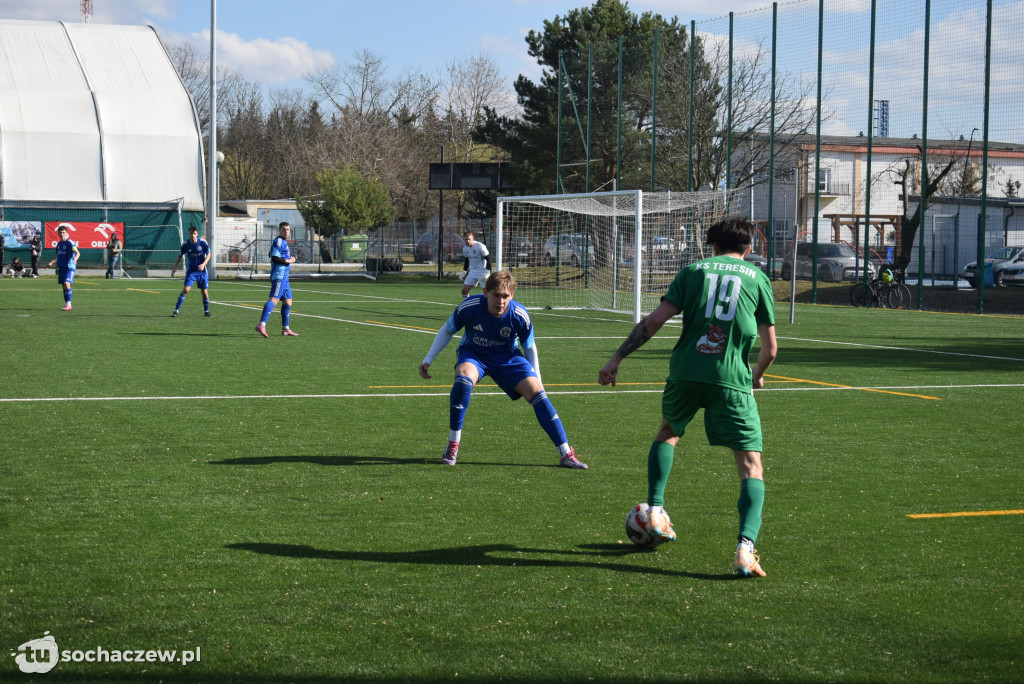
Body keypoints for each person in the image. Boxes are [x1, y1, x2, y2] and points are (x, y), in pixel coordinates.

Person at [598, 216, 777, 578]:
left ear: (712, 244)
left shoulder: (693, 271)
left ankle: (656, 509)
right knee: (750, 466)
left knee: (668, 432)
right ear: (750, 246)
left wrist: (617, 358)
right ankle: (745, 547)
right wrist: (755, 377)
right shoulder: (759, 279)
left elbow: (653, 322)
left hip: (685, 373)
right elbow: (770, 348)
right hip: (731, 381)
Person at [419, 270, 587, 469]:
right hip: (474, 354)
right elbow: (448, 329)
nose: (501, 301)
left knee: (537, 393)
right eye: (497, 296)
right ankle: (453, 444)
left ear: (512, 296)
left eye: (505, 296)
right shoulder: (470, 306)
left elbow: (529, 346)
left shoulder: (519, 314)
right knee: (463, 380)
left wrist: (537, 378)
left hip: (508, 357)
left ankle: (566, 453)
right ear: (485, 292)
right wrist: (428, 359)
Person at [255, 222, 298, 337]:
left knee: (288, 302)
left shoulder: (283, 242)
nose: (286, 231)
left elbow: (270, 253)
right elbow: (274, 258)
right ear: (279, 230)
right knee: (274, 300)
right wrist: (289, 261)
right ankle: (262, 324)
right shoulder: (279, 241)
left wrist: (287, 258)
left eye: (288, 229)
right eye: (284, 229)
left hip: (285, 277)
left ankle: (285, 329)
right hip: (279, 276)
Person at [170, 226, 212, 317]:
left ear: (197, 234)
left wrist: (203, 264)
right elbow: (179, 256)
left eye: (194, 233)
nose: (193, 235)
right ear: (188, 234)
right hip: (191, 272)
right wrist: (174, 268)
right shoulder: (185, 244)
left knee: (204, 292)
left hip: (202, 272)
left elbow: (209, 254)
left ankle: (206, 311)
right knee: (186, 290)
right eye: (191, 233)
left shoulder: (203, 243)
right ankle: (176, 311)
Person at [46, 224, 80, 311]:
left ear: (66, 233)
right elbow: (58, 256)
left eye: (63, 233)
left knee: (66, 283)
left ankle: (69, 304)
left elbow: (77, 252)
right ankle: (67, 304)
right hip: (61, 267)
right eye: (60, 233)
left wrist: (75, 258)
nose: (62, 234)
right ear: (58, 233)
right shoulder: (59, 244)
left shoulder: (70, 243)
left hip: (69, 267)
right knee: (63, 286)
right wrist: (51, 263)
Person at [460, 230, 491, 298]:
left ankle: (489, 307)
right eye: (466, 239)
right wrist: (464, 271)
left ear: (473, 238)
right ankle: (467, 306)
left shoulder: (480, 246)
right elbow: (467, 260)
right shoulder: (465, 248)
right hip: (473, 272)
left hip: (482, 271)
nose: (468, 241)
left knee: (487, 292)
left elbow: (488, 259)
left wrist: (487, 272)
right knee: (464, 291)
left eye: (469, 239)